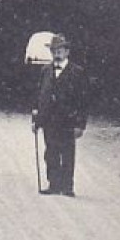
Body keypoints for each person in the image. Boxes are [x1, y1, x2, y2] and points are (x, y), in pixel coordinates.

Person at [33, 33, 89, 197]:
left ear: (67, 52)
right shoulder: (45, 71)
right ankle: (53, 184)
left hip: (68, 120)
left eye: (60, 50)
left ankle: (67, 186)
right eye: (53, 50)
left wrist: (80, 124)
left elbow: (83, 100)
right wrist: (36, 120)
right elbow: (38, 97)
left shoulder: (77, 72)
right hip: (48, 120)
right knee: (50, 152)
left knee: (67, 153)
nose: (56, 53)